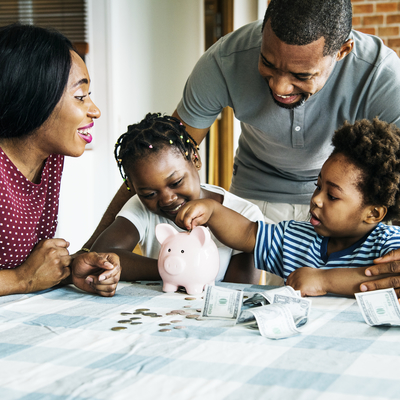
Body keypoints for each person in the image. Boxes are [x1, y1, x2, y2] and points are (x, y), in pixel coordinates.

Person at [83, 0, 400, 291]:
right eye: (268, 63)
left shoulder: (382, 77)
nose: (279, 86)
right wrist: (90, 247)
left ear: (342, 51)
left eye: (301, 74)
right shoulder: (224, 61)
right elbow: (160, 154)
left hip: (344, 202)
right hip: (256, 196)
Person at [175, 119, 400, 297]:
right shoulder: (295, 237)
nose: (316, 200)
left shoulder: (388, 244)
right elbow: (246, 233)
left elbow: (390, 278)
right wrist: (213, 211)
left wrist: (323, 280)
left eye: (332, 196)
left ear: (373, 213)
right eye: (318, 186)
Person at [0, 23, 120, 296]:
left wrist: (70, 268)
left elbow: (31, 266)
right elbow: (24, 274)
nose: (95, 110)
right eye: (80, 97)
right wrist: (22, 280)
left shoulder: (50, 159)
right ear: (33, 96)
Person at [90, 113, 263, 284]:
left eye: (176, 182)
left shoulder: (245, 214)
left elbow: (240, 289)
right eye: (149, 194)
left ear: (195, 158)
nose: (167, 199)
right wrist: (170, 268)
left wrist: (179, 270)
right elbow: (101, 254)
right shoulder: (140, 206)